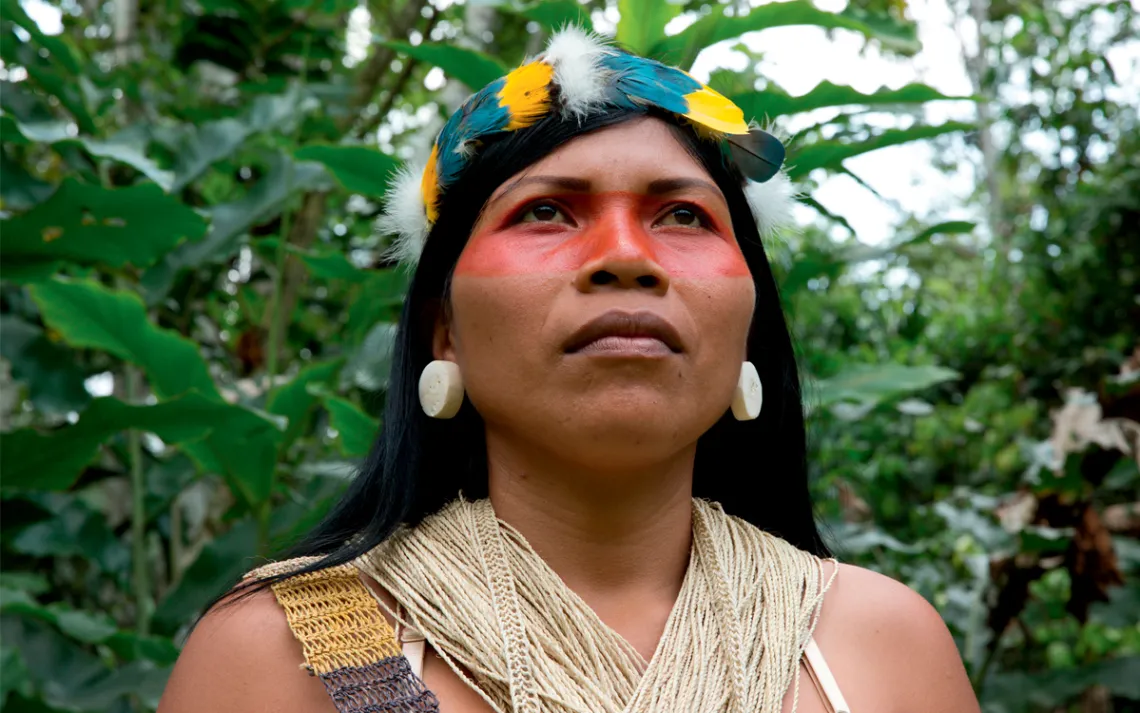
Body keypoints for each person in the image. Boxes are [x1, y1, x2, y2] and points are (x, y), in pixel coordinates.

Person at [160, 28, 979, 713]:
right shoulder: (276, 659)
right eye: (546, 210)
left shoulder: (887, 653)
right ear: (443, 329)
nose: (626, 257)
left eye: (683, 214)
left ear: (750, 326)